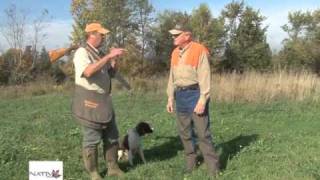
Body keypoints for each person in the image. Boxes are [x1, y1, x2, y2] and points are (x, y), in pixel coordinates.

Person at [71, 22, 126, 180]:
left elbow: (111, 74)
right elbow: (88, 72)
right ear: (92, 35)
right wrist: (108, 56)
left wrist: (113, 60)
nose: (104, 37)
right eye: (101, 34)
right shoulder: (82, 52)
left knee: (112, 135)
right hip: (90, 101)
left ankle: (113, 168)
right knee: (91, 138)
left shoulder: (99, 53)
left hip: (104, 101)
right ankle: (93, 172)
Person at [166, 24, 220, 176]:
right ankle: (191, 163)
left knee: (203, 134)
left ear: (187, 35)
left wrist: (203, 99)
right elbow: (172, 76)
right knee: (184, 133)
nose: (173, 37)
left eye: (176, 35)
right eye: (173, 35)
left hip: (195, 94)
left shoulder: (199, 50)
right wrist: (170, 97)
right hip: (180, 96)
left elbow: (205, 76)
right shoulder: (175, 52)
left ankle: (213, 169)